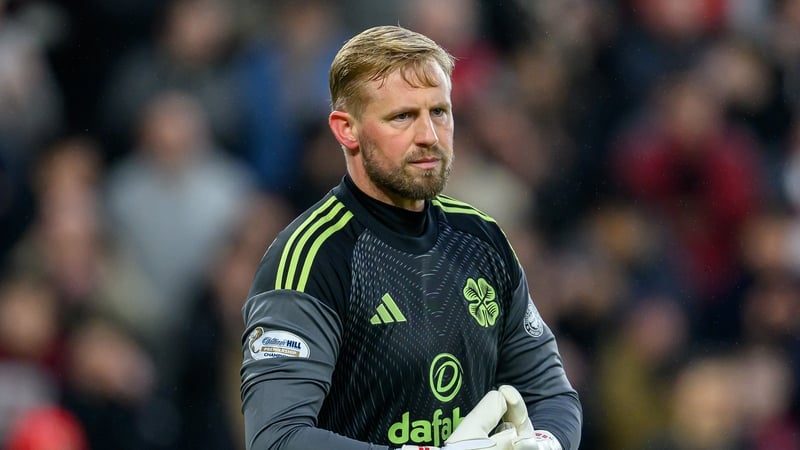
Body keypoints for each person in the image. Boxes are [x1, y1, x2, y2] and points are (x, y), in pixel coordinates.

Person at [240, 25, 582, 450]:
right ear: (347, 129)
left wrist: (546, 444)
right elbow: (278, 438)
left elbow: (551, 392)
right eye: (403, 116)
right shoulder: (310, 260)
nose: (429, 136)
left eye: (439, 112)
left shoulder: (483, 239)